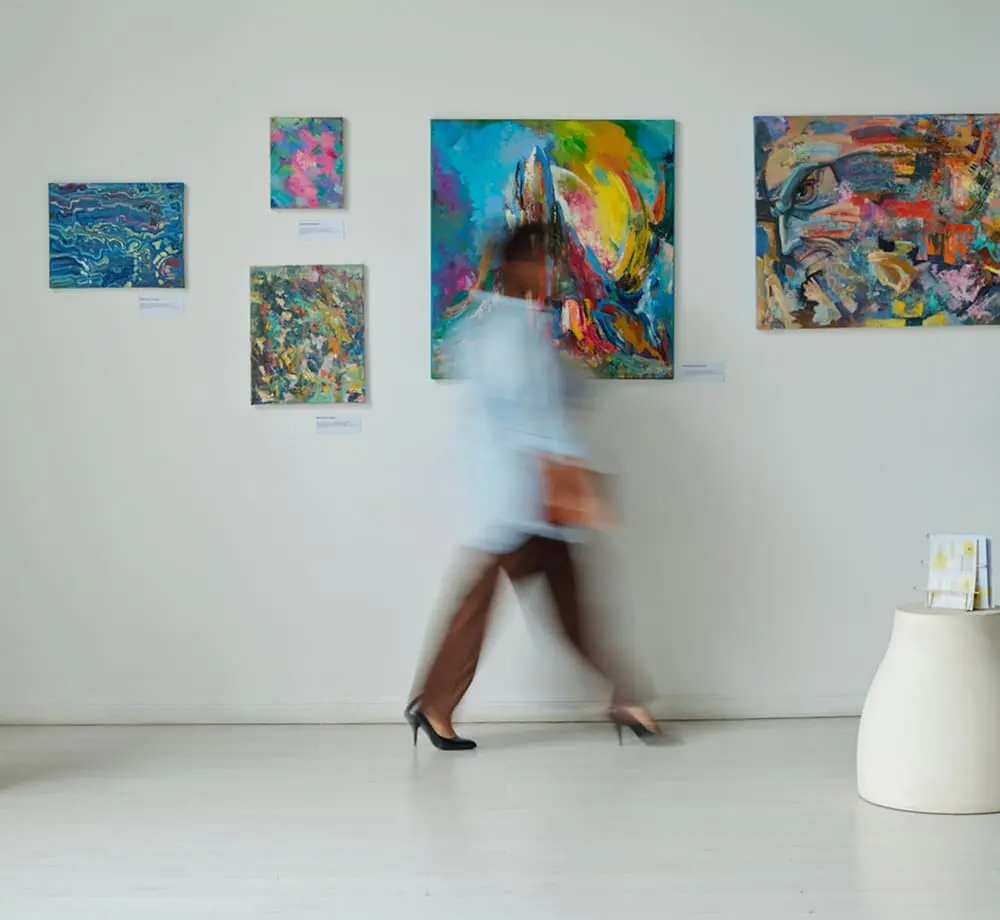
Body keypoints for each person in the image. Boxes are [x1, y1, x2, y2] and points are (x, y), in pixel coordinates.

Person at [406, 221, 663, 751]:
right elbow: (529, 417)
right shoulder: (506, 333)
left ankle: (621, 698)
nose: (552, 272)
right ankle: (434, 704)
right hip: (523, 497)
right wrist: (575, 474)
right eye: (543, 261)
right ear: (519, 266)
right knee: (500, 606)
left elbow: (556, 399)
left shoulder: (515, 328)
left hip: (530, 501)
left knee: (562, 604)